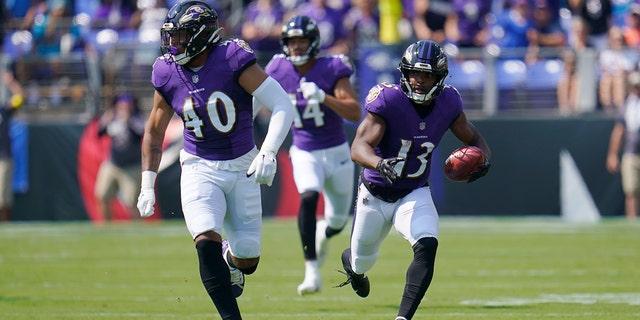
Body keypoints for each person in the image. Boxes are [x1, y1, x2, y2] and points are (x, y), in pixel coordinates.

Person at [135, 1, 294, 319]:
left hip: (242, 166)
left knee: (248, 258)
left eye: (180, 36)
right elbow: (154, 132)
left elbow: (281, 105)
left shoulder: (232, 58)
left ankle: (231, 258)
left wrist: (268, 151)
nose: (174, 44)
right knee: (205, 238)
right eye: (171, 37)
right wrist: (146, 185)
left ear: (201, 35)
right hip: (198, 166)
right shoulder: (167, 71)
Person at [336, 40, 491, 320]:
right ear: (404, 73)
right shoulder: (389, 100)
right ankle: (352, 266)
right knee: (362, 260)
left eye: (427, 74)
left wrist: (485, 159)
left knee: (427, 244)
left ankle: (403, 317)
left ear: (439, 78)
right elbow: (358, 148)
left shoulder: (448, 102)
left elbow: (474, 138)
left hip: (414, 192)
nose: (419, 81)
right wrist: (378, 162)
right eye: (414, 74)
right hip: (375, 192)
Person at [262, 15, 362, 295]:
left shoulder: (332, 67)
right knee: (308, 196)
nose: (295, 47)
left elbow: (354, 112)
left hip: (337, 152)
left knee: (337, 222)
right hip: (304, 150)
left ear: (313, 42)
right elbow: (257, 99)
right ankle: (311, 271)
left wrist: (323, 97)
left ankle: (325, 234)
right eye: (291, 42)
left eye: (301, 41)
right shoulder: (277, 68)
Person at [95, 93, 145, 221]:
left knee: (131, 202)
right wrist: (106, 119)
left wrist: (128, 120)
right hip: (113, 163)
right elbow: (99, 133)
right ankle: (106, 227)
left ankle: (137, 229)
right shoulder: (112, 118)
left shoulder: (137, 118)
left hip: (131, 166)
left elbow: (140, 133)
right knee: (102, 195)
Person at [606, 70, 640, 223]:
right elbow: (619, 131)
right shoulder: (627, 106)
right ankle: (632, 223)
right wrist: (613, 154)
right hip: (631, 153)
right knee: (631, 191)